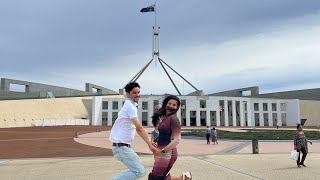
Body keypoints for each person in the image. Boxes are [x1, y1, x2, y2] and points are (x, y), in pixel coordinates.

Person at [109, 82, 156, 180]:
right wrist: (149, 144)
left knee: (136, 170)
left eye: (138, 92)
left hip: (123, 147)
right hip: (122, 147)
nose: (138, 95)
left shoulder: (130, 105)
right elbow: (139, 128)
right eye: (134, 92)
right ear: (127, 93)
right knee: (139, 171)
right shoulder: (130, 107)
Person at [148, 95, 192, 180]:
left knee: (156, 177)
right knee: (157, 177)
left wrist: (163, 151)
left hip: (168, 153)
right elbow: (164, 136)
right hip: (161, 152)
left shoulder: (174, 119)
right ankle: (185, 177)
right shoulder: (165, 118)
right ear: (166, 104)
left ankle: (184, 178)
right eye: (169, 103)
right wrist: (156, 144)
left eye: (174, 105)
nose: (171, 106)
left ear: (177, 108)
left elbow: (177, 139)